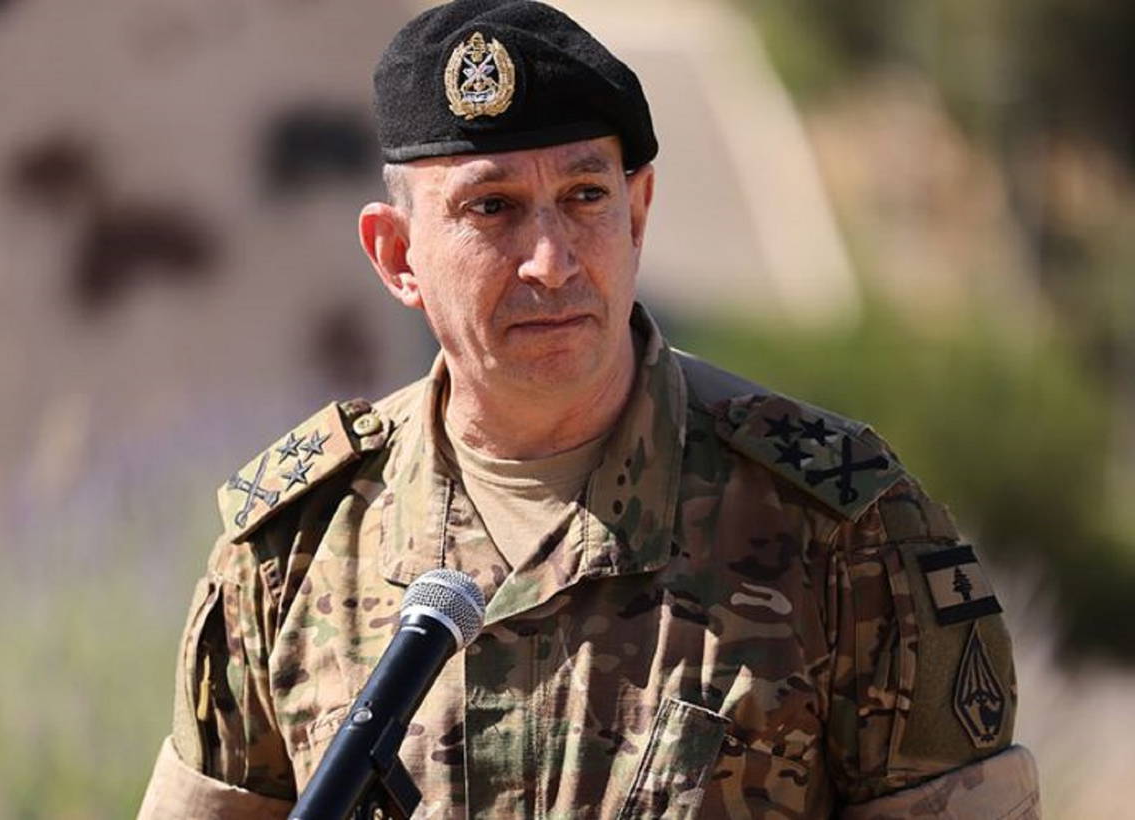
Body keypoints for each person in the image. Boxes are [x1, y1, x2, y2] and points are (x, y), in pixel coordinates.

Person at [138, 1, 1040, 816]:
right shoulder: (291, 555)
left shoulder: (846, 536)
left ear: (636, 214)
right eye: (493, 207)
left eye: (584, 198)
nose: (551, 260)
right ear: (397, 255)